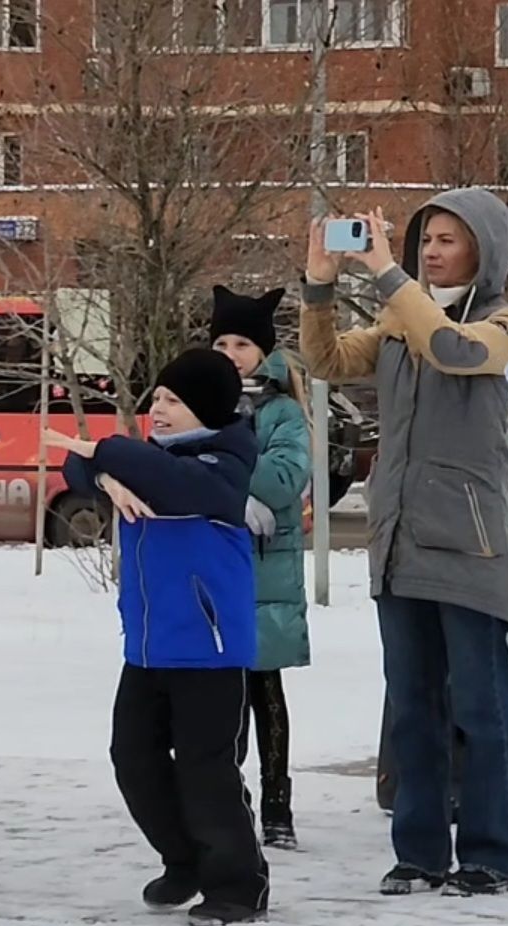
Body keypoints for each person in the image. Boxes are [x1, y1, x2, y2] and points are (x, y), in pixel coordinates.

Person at [301, 190, 508, 896]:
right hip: (397, 542)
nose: (430, 251)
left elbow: (455, 349)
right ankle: (419, 852)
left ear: (482, 250)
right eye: (423, 239)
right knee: (412, 706)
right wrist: (318, 283)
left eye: (447, 240)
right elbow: (327, 360)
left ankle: (496, 855)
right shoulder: (400, 322)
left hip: (467, 544)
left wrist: (383, 276)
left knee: (481, 709)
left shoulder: (504, 322)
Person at [48, 347, 270, 926]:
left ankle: (238, 884)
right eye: (156, 399)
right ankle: (184, 859)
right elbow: (76, 469)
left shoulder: (224, 466)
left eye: (173, 401)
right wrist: (98, 473)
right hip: (147, 647)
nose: (158, 410)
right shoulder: (146, 459)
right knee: (134, 758)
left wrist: (104, 454)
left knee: (206, 768)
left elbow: (171, 481)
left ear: (208, 409)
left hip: (209, 649)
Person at [208, 286, 311, 850]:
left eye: (241, 342)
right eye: (220, 341)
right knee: (218, 697)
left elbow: (282, 479)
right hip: (213, 566)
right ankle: (228, 801)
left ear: (262, 350)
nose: (230, 351)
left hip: (264, 571)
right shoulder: (199, 402)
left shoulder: (281, 410)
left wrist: (224, 475)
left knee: (264, 690)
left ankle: (278, 805)